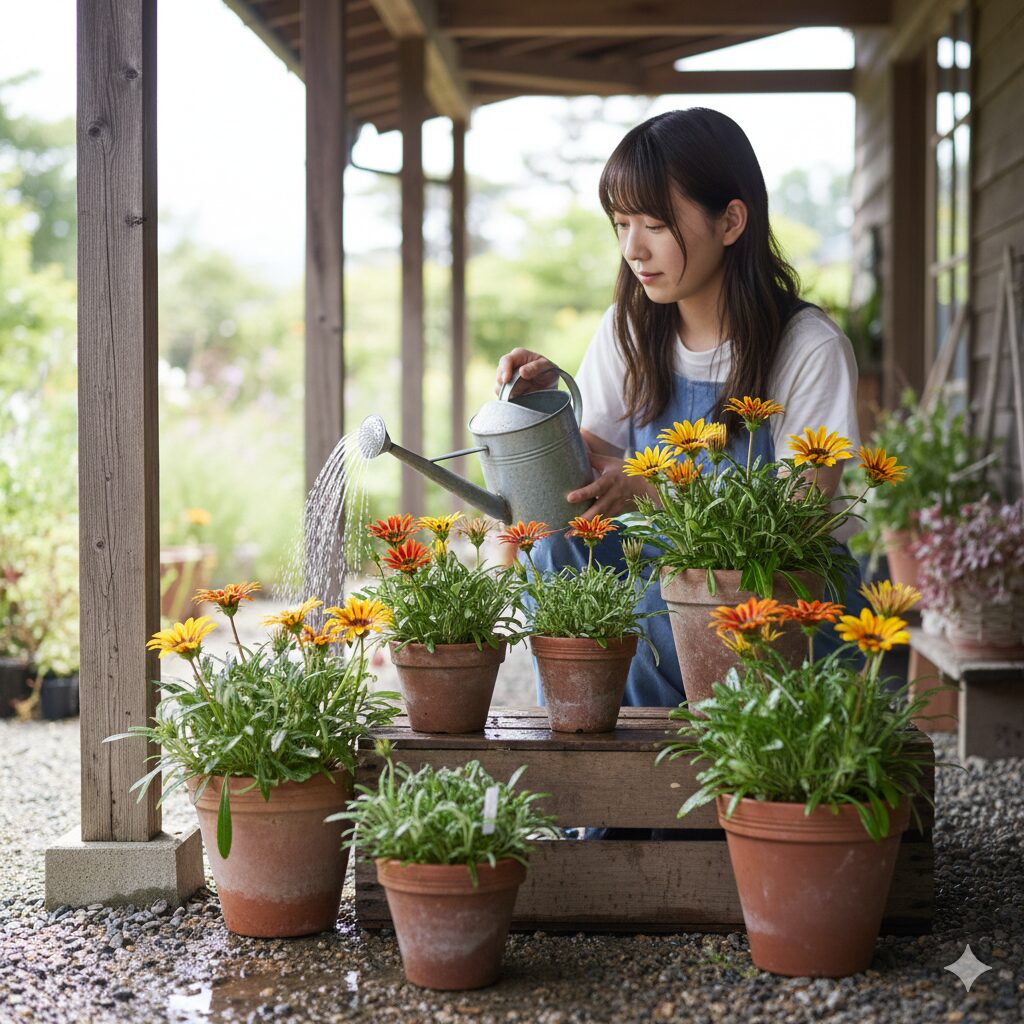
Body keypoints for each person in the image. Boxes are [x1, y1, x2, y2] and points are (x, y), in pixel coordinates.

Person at [495, 107, 865, 709]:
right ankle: (574, 735)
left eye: (655, 224)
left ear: (731, 221)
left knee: (652, 611)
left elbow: (798, 519)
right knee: (558, 549)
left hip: (776, 588)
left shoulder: (807, 346)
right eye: (621, 224)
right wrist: (543, 412)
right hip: (661, 566)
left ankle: (649, 762)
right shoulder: (629, 327)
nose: (633, 249)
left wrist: (653, 490)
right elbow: (587, 474)